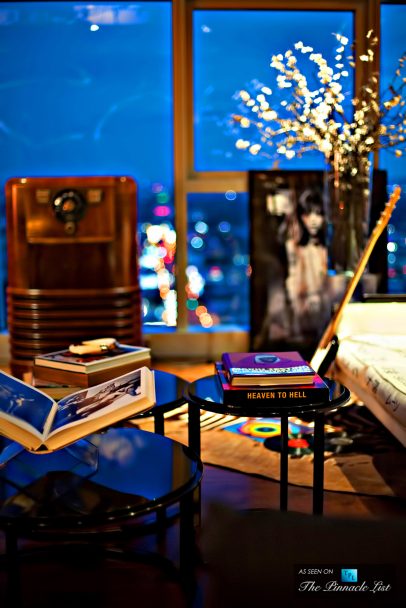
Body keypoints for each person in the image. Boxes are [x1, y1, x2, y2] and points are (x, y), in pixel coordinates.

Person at [286, 188, 331, 344]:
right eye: (307, 214)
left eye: (318, 214)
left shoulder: (328, 248)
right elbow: (292, 280)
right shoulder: (293, 247)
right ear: (301, 217)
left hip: (326, 311)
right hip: (302, 310)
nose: (313, 220)